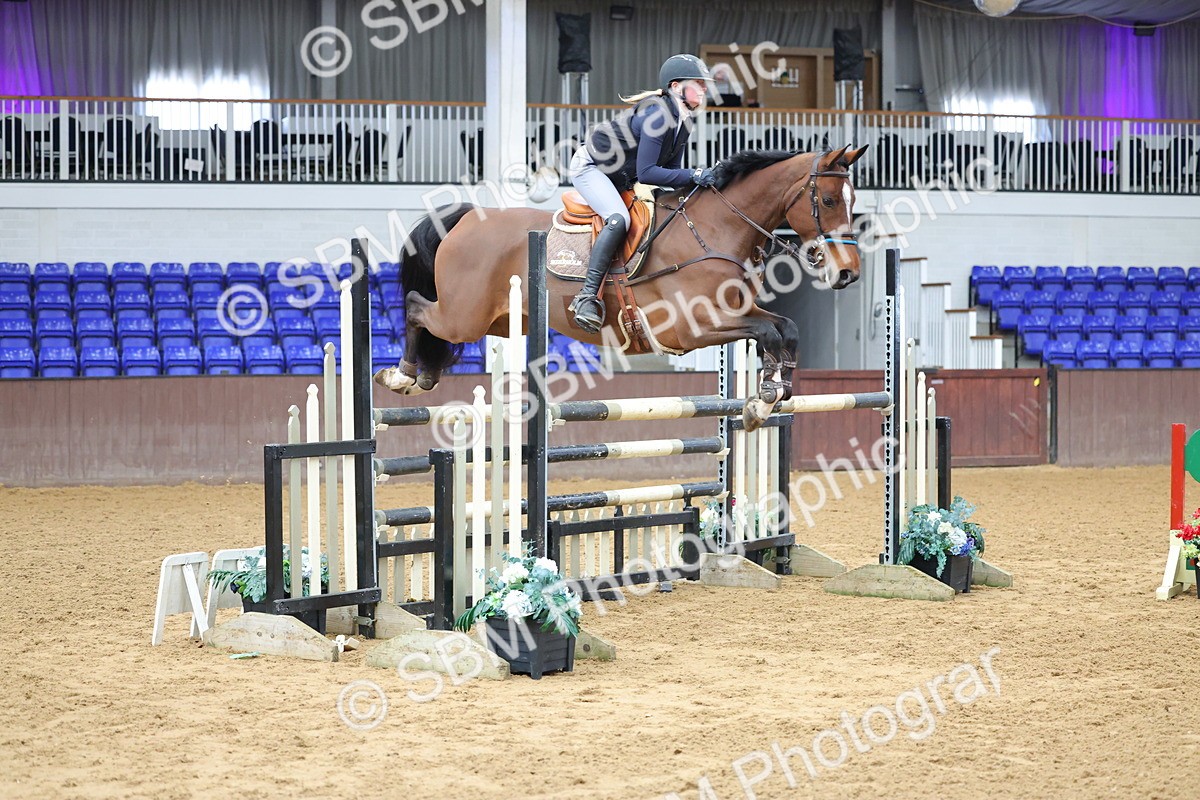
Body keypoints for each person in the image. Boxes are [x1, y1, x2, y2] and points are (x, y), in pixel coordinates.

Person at [567, 53, 719, 334]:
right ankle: (586, 296)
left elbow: (671, 171)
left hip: (620, 175)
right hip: (592, 167)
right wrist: (695, 174)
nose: (705, 89)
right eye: (698, 83)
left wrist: (704, 183)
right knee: (618, 219)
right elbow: (649, 172)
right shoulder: (658, 114)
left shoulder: (682, 120)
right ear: (676, 87)